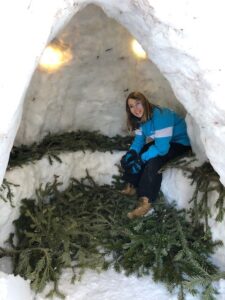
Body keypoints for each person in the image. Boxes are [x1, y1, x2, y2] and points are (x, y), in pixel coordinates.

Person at [121, 91, 191, 219]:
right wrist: (132, 153)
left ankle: (146, 201)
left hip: (180, 143)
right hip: (165, 141)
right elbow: (139, 141)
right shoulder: (139, 119)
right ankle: (131, 184)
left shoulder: (160, 115)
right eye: (131, 106)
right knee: (141, 152)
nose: (135, 109)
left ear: (145, 102)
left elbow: (162, 149)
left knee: (154, 159)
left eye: (138, 104)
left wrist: (141, 159)